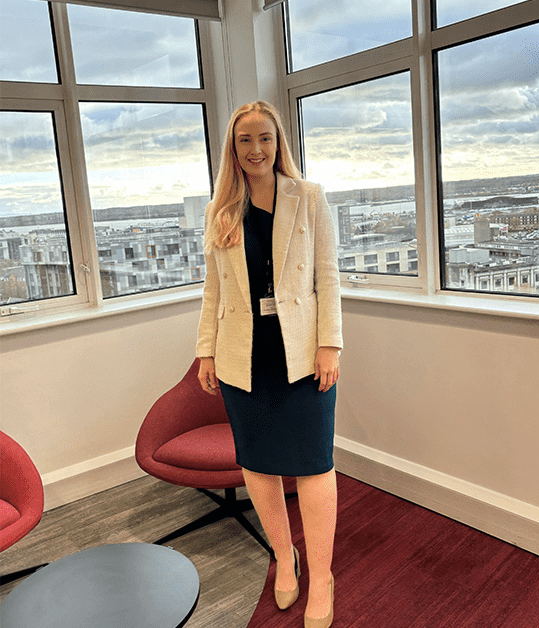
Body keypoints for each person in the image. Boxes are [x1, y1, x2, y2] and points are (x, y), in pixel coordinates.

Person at [196, 100, 342, 628]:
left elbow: (328, 278)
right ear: (232, 151)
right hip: (244, 356)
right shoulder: (222, 211)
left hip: (302, 354)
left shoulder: (309, 198)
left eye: (265, 138)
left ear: (280, 143)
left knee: (312, 466)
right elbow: (214, 291)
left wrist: (331, 345)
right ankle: (285, 556)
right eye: (244, 141)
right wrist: (205, 350)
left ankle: (321, 575)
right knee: (257, 464)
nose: (256, 150)